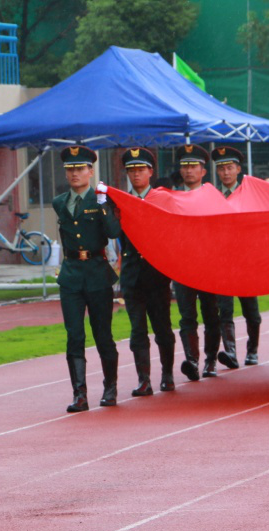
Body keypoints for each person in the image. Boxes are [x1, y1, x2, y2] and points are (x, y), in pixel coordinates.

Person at [53, 145, 122, 412]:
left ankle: (110, 388)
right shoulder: (60, 202)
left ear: (91, 171)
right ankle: (79, 394)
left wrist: (105, 207)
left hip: (96, 272)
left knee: (103, 333)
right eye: (70, 169)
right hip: (71, 274)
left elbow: (114, 233)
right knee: (74, 335)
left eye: (80, 168)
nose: (74, 174)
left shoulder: (102, 200)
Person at [118, 147, 177, 395]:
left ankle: (167, 375)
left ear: (150, 172)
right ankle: (144, 379)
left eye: (140, 170)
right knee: (137, 330)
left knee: (162, 327)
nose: (136, 175)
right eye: (131, 171)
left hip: (156, 275)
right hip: (132, 275)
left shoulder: (162, 199)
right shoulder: (120, 201)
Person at [171, 144, 222, 379]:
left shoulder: (213, 196)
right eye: (184, 166)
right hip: (183, 265)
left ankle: (210, 360)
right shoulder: (172, 198)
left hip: (209, 265)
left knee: (211, 313)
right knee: (187, 316)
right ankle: (191, 360)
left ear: (203, 171)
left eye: (193, 166)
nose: (188, 170)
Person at [211, 146, 264, 368]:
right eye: (221, 169)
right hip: (222, 262)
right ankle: (230, 352)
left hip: (245, 262)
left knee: (251, 309)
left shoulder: (249, 194)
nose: (225, 173)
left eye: (229, 168)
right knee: (225, 309)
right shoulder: (211, 196)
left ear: (238, 169)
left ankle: (252, 350)